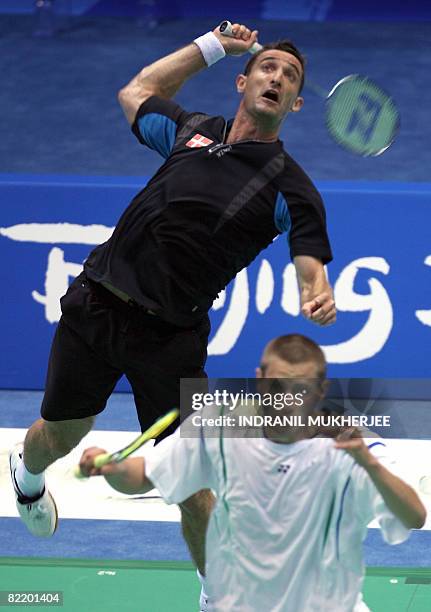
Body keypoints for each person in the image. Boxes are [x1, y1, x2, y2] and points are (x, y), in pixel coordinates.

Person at [9, 20, 335, 575]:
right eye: (267, 67)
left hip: (170, 341)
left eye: (289, 76)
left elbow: (310, 258)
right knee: (61, 435)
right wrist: (211, 46)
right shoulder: (191, 130)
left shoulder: (291, 185)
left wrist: (317, 291)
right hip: (96, 305)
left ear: (295, 104)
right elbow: (136, 92)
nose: (276, 77)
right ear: (243, 81)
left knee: (195, 484)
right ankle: (27, 476)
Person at [79, 334, 426, 612]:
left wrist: (371, 467)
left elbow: (413, 515)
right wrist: (114, 467)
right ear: (259, 380)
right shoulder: (221, 426)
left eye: (300, 391)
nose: (286, 403)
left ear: (320, 392)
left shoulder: (353, 445)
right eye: (276, 387)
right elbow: (144, 476)